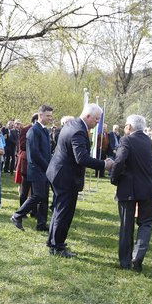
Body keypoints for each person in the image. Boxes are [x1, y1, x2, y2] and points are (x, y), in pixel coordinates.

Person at [45, 103, 113, 257]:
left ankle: (53, 242)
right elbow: (81, 158)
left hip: (58, 173)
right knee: (64, 212)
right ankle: (58, 247)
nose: (97, 123)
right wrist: (104, 164)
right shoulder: (78, 130)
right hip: (65, 177)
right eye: (96, 120)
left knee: (58, 210)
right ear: (88, 116)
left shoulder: (72, 124)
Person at [111, 114, 152, 272]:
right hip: (147, 187)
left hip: (128, 187)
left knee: (126, 224)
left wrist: (114, 179)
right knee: (146, 223)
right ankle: (138, 256)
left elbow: (120, 160)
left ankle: (125, 261)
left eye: (125, 125)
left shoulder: (126, 140)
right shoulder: (148, 141)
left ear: (129, 127)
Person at [11, 105, 54, 232]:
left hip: (44, 170)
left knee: (44, 198)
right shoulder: (33, 130)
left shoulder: (45, 130)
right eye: (48, 116)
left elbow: (46, 151)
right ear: (40, 115)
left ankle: (41, 224)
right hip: (36, 169)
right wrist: (47, 166)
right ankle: (17, 215)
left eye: (51, 116)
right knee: (38, 195)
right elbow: (34, 153)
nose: (50, 118)